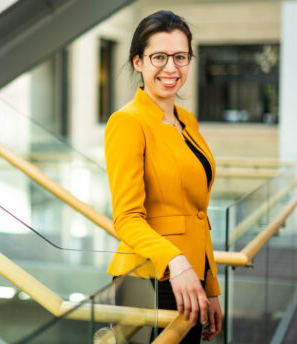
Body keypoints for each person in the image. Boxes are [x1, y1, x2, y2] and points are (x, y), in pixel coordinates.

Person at [105, 10, 222, 343]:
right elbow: (126, 218)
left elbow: (198, 215)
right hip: (150, 278)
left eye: (180, 57)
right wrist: (178, 262)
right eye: (159, 57)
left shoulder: (187, 121)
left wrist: (209, 287)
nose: (171, 68)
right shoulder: (127, 122)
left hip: (190, 279)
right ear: (138, 62)